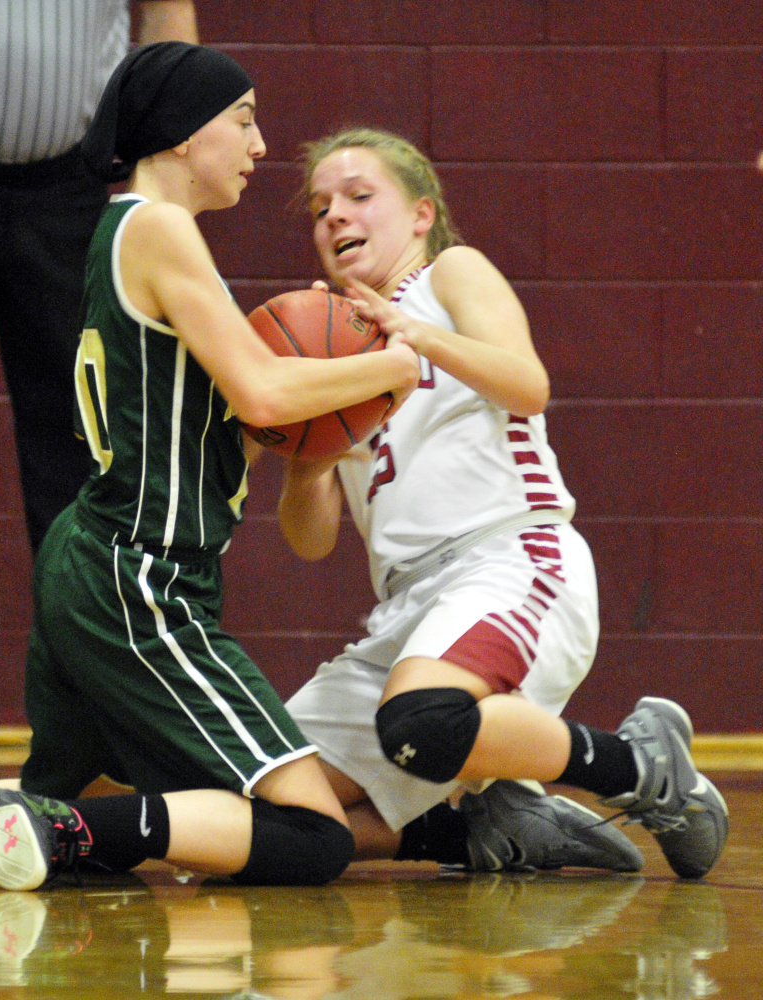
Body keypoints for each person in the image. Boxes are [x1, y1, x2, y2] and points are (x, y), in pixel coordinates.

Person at [0, 43, 421, 894]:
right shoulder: (157, 226)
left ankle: (24, 821)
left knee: (54, 803)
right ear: (184, 133)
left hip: (95, 560)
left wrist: (307, 430)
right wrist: (395, 366)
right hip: (140, 575)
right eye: (243, 119)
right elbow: (264, 392)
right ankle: (57, 829)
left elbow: (241, 412)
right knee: (311, 835)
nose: (260, 144)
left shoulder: (125, 229)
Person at [278, 127, 729, 879]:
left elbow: (527, 384)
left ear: (421, 215)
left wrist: (413, 336)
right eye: (320, 206)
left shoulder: (449, 274)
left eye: (359, 196)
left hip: (508, 560)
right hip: (405, 611)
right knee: (267, 812)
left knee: (419, 720)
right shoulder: (331, 347)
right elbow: (311, 540)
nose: (334, 216)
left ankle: (637, 765)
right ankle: (485, 827)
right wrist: (301, 457)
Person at [0, 0, 198, 776]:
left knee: (84, 444)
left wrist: (168, 153)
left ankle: (95, 704)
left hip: (74, 183)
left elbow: (166, 9)